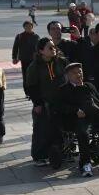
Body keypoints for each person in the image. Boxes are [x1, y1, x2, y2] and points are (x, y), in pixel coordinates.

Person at [24, 38, 67, 167]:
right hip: (43, 102)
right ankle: (39, 156)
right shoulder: (35, 66)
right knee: (41, 129)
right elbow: (30, 86)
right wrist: (37, 103)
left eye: (54, 47)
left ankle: (59, 153)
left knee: (59, 128)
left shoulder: (61, 61)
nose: (53, 49)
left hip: (61, 101)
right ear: (41, 51)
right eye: (50, 47)